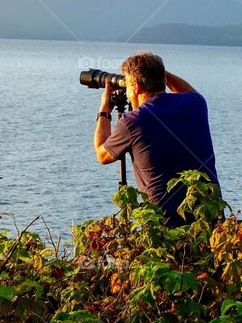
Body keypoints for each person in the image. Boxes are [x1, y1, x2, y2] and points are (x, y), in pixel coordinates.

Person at [93, 52, 220, 227]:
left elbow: (102, 154)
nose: (127, 92)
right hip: (210, 218)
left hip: (166, 226)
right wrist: (156, 72)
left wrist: (104, 110)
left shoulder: (133, 121)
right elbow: (186, 89)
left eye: (128, 86)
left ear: (136, 87)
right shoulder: (196, 104)